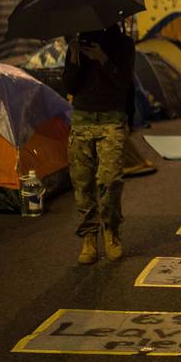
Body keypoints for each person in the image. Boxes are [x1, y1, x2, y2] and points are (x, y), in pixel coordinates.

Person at [63, 23, 136, 265]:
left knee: (110, 180)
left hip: (111, 119)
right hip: (82, 119)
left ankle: (111, 231)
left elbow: (124, 83)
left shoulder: (123, 45)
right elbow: (69, 86)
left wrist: (102, 58)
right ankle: (89, 238)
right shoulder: (79, 42)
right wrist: (74, 54)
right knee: (82, 184)